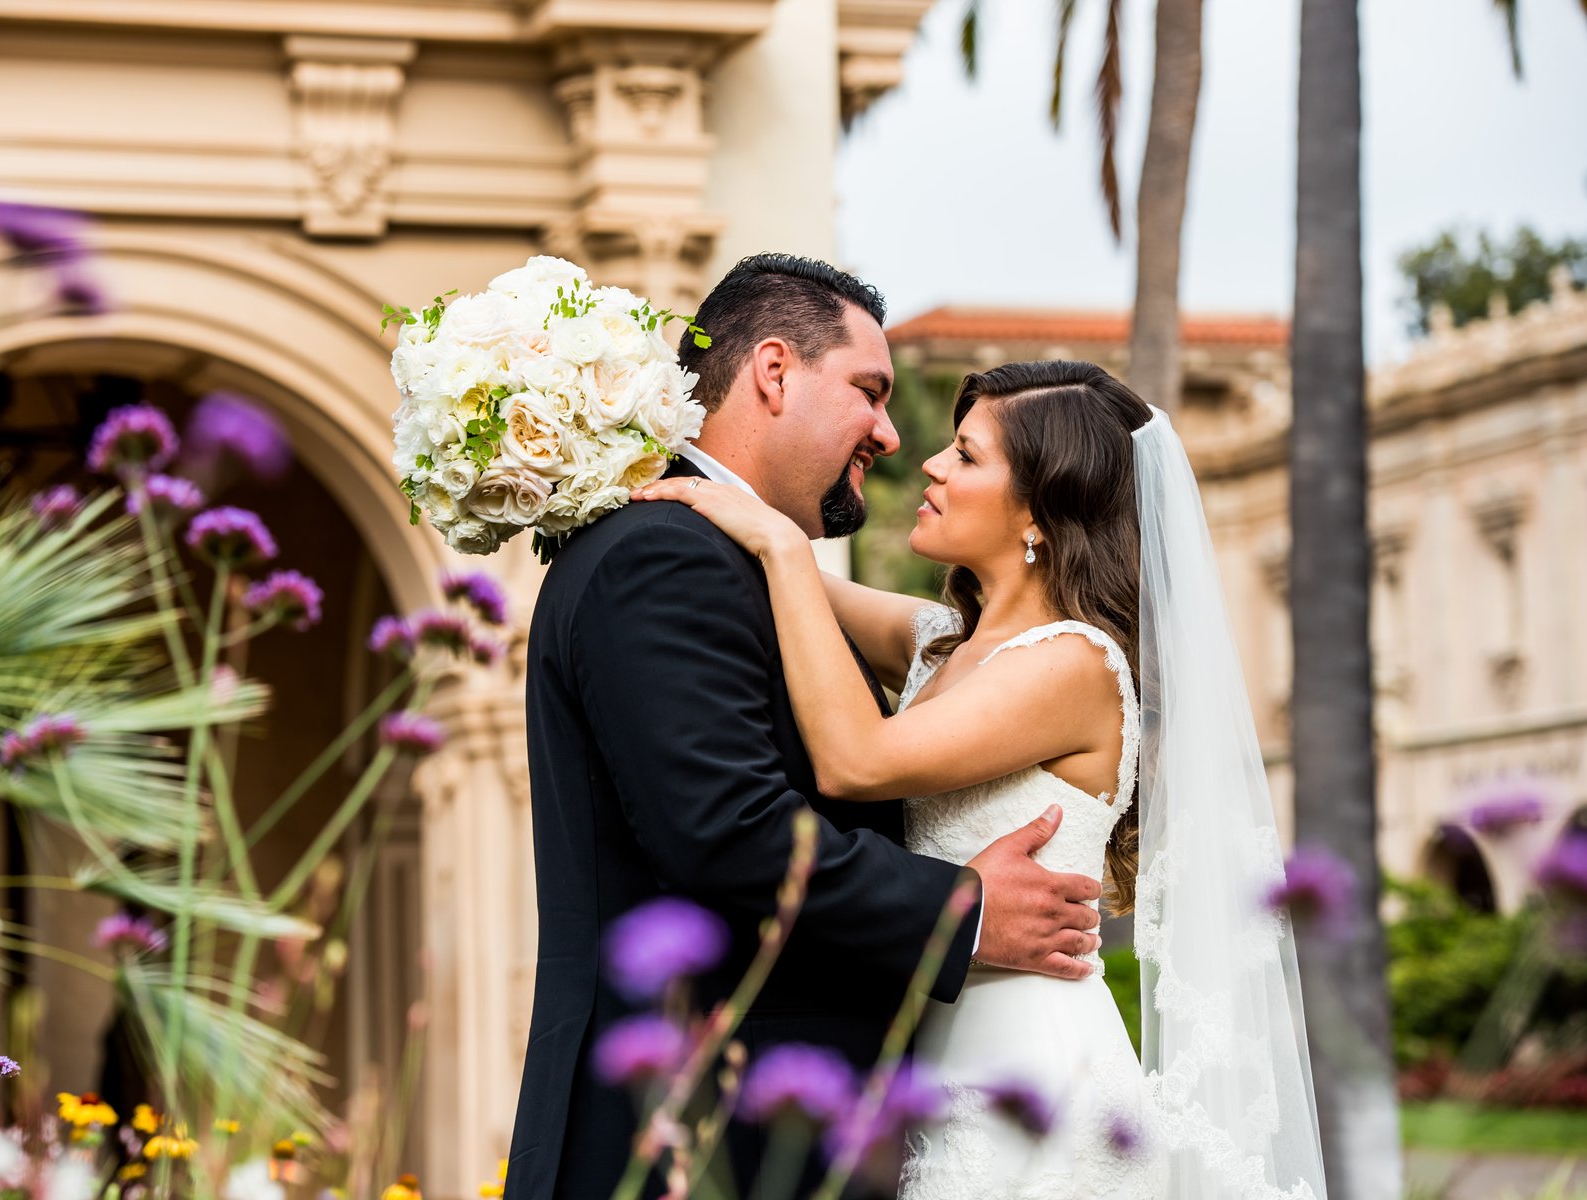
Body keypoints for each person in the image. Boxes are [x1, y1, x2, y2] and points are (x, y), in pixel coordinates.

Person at [635, 360, 1327, 1198]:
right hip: (940, 1064)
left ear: (1037, 509)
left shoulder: (1073, 663)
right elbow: (783, 581)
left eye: (965, 455)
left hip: (1031, 1074)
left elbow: (854, 761)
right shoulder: (942, 646)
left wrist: (782, 542)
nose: (929, 464)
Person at [504, 258, 1106, 1200]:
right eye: (870, 391)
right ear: (774, 372)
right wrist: (963, 911)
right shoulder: (666, 556)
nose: (895, 437)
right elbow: (727, 829)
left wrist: (775, 542)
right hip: (695, 1135)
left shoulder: (735, 558)